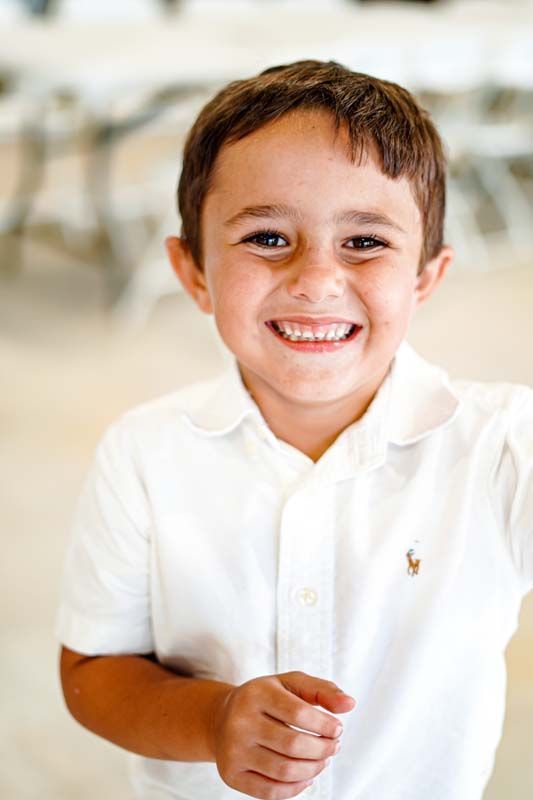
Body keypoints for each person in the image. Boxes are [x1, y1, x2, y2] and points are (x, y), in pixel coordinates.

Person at [56, 60, 533, 800]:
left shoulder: (504, 445)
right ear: (194, 273)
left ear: (424, 279)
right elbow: (92, 672)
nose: (315, 280)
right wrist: (213, 721)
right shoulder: (144, 452)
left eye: (365, 243)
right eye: (268, 238)